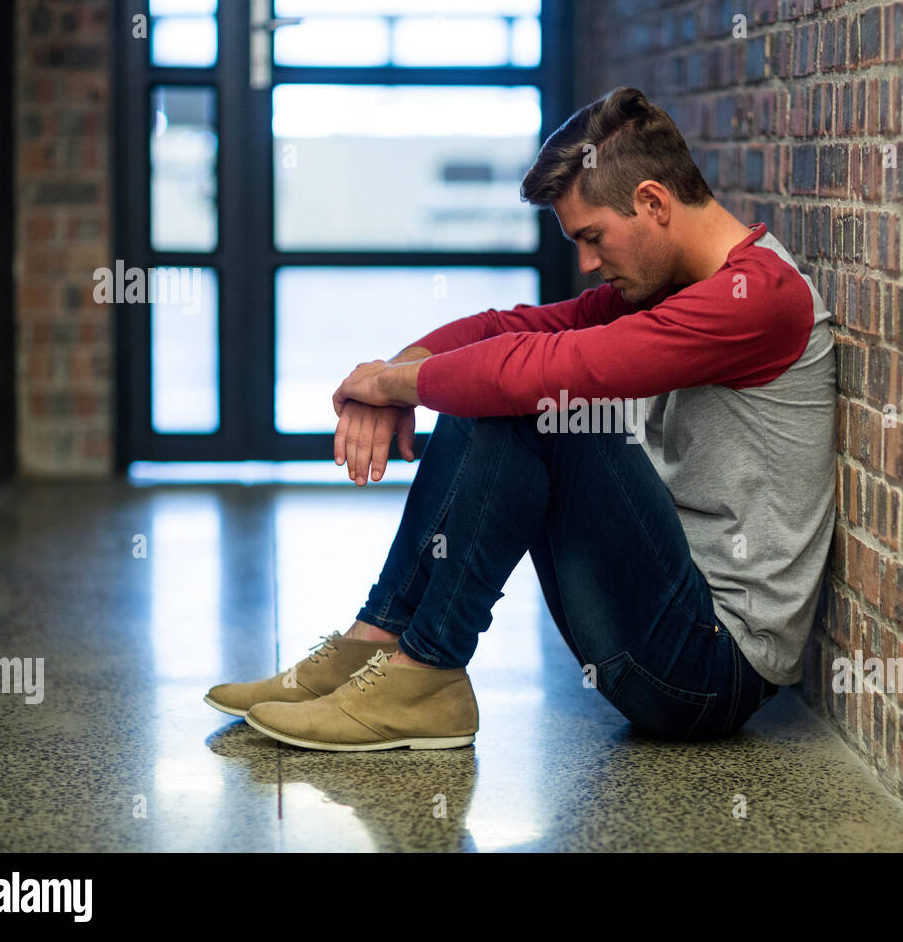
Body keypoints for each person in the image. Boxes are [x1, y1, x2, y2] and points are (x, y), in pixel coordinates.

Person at [204, 86, 836, 751]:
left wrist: (398, 385)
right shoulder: (673, 287)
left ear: (652, 202)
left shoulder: (757, 300)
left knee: (537, 400)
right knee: (509, 377)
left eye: (593, 238)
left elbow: (540, 369)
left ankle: (426, 674)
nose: (588, 264)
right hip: (659, 625)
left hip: (709, 670)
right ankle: (378, 641)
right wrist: (390, 377)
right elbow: (508, 327)